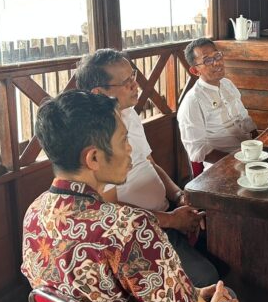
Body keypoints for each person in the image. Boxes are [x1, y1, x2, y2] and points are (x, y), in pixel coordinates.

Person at [22, 90, 268, 302]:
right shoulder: (130, 228)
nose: (130, 150)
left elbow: (113, 296)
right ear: (93, 158)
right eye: (123, 141)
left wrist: (191, 293)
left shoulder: (34, 214)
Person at [75, 48, 218, 287]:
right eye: (126, 82)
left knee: (223, 232)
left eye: (133, 76)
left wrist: (179, 196)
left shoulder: (129, 114)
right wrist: (171, 220)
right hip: (139, 231)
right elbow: (112, 210)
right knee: (207, 276)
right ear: (99, 93)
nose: (135, 85)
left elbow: (149, 163)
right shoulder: (96, 140)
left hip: (166, 212)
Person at [178, 38, 257, 175]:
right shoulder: (192, 102)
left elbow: (245, 120)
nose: (217, 62)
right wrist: (236, 162)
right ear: (195, 71)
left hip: (250, 156)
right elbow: (197, 149)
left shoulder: (227, 84)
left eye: (217, 56)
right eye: (208, 60)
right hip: (221, 168)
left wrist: (260, 147)